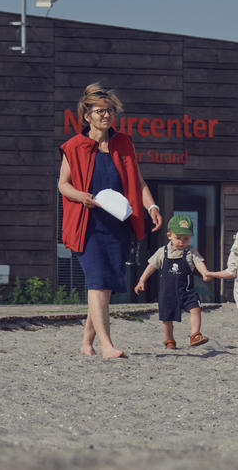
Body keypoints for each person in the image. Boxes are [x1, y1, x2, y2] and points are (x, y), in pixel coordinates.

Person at [59, 83, 163, 359]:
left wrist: (151, 205)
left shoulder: (123, 143)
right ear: (87, 116)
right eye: (100, 111)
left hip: (117, 224)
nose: (106, 116)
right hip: (87, 224)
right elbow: (63, 185)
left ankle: (86, 343)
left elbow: (137, 181)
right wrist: (81, 196)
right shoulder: (74, 146)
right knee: (97, 282)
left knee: (105, 285)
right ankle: (106, 344)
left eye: (110, 111)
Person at [134, 214, 213, 349]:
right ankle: (170, 340)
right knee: (166, 318)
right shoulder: (162, 252)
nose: (182, 241)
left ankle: (195, 335)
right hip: (167, 293)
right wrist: (142, 280)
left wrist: (205, 273)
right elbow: (151, 266)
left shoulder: (190, 252)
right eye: (178, 238)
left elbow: (199, 263)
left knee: (196, 309)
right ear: (169, 235)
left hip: (187, 291)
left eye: (186, 238)